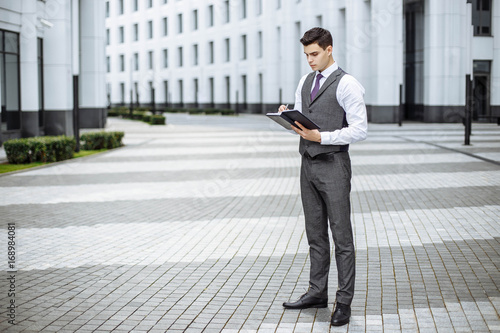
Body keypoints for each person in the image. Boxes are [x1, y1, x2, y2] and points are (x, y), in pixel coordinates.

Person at [279, 27, 367, 327]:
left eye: (314, 54)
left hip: (334, 164)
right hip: (308, 165)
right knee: (315, 234)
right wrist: (288, 116)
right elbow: (304, 119)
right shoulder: (305, 80)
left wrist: (322, 137)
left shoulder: (348, 84)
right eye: (306, 55)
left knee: (342, 237)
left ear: (329, 49)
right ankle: (317, 292)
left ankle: (344, 302)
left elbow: (360, 129)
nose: (310, 60)